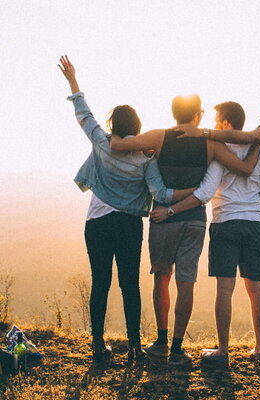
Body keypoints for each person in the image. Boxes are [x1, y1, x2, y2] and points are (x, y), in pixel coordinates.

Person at [150, 101, 260, 365]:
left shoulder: (220, 154)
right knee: (257, 289)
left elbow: (204, 194)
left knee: (225, 289)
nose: (215, 126)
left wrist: (170, 210)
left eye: (218, 121)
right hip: (256, 225)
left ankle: (223, 351)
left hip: (226, 223)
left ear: (227, 124)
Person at [58, 56, 195, 365]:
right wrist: (196, 193)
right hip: (129, 224)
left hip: (97, 222)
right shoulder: (145, 157)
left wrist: (73, 81)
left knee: (101, 282)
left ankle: (97, 345)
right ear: (137, 127)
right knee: (129, 285)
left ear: (113, 125)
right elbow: (160, 193)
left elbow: (83, 114)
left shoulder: (102, 143)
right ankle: (135, 347)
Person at [109, 96, 260, 366]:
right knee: (186, 282)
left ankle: (161, 342)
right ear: (197, 116)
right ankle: (178, 348)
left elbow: (119, 145)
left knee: (161, 278)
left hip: (162, 219)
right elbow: (245, 169)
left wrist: (112, 131)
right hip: (194, 220)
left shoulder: (158, 137)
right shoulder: (210, 144)